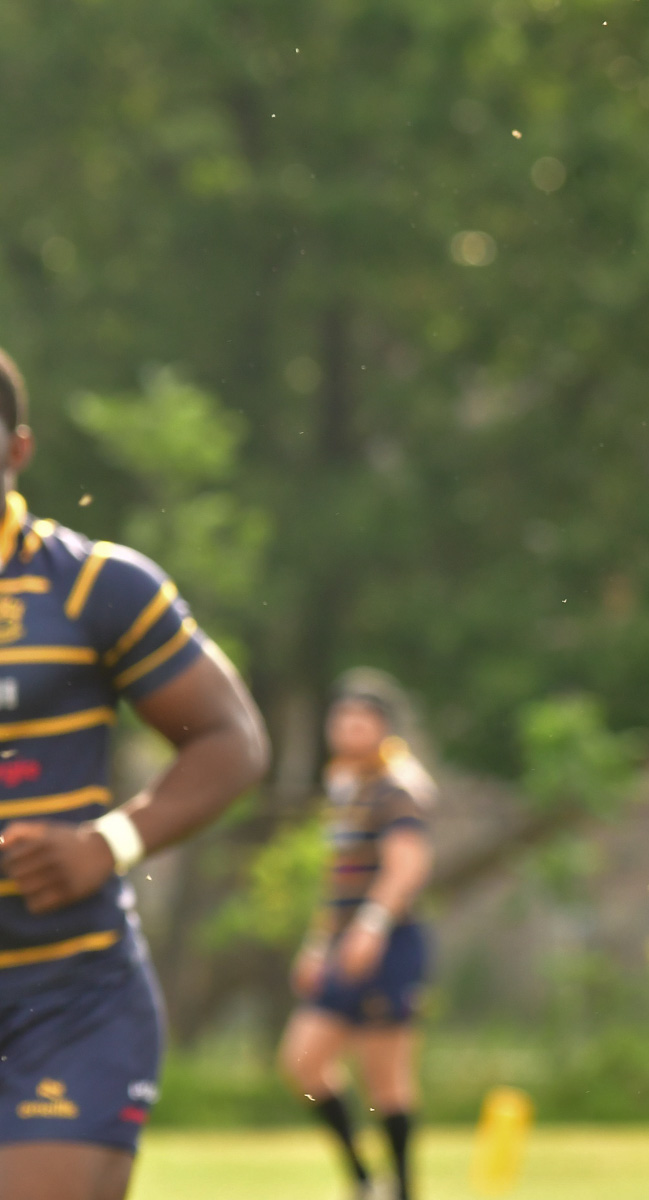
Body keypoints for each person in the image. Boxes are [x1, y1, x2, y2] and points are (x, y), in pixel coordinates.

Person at [0, 348, 269, 1200]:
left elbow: (233, 741)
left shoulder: (93, 587)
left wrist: (109, 842)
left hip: (66, 997)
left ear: (18, 451)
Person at [278, 672, 435, 1200]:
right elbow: (338, 878)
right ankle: (365, 1181)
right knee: (302, 1062)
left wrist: (371, 927)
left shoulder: (395, 790)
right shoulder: (346, 791)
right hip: (341, 948)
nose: (348, 728)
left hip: (386, 946)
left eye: (361, 720)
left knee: (384, 1078)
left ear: (384, 728)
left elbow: (407, 865)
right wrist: (318, 942)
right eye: (341, 718)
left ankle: (404, 1189)